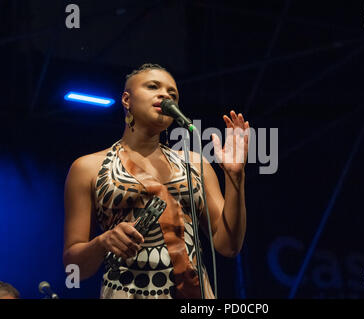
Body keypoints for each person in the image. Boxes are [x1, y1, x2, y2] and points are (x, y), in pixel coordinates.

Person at [63, 63, 249, 299]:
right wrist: (102, 242)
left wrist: (235, 178)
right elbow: (73, 269)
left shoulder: (195, 164)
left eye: (173, 94)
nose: (165, 95)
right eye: (153, 87)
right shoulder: (88, 167)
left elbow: (229, 246)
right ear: (126, 100)